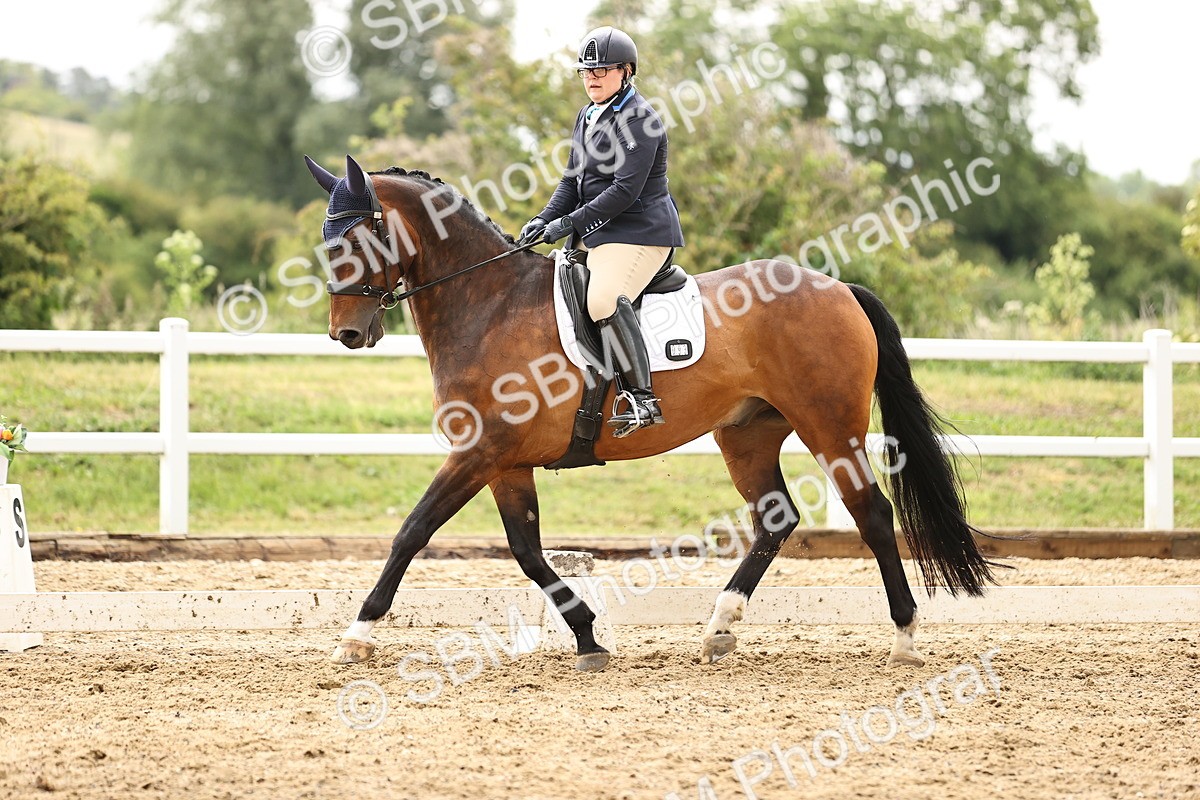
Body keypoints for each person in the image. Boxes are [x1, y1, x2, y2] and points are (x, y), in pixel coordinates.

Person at [519, 26, 685, 437]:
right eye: (586, 71)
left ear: (626, 72)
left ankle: (644, 400)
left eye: (603, 70)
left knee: (602, 299)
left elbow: (624, 192)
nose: (592, 77)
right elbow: (571, 182)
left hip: (640, 232)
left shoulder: (641, 120)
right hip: (600, 232)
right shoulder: (588, 114)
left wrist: (568, 224)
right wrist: (544, 218)